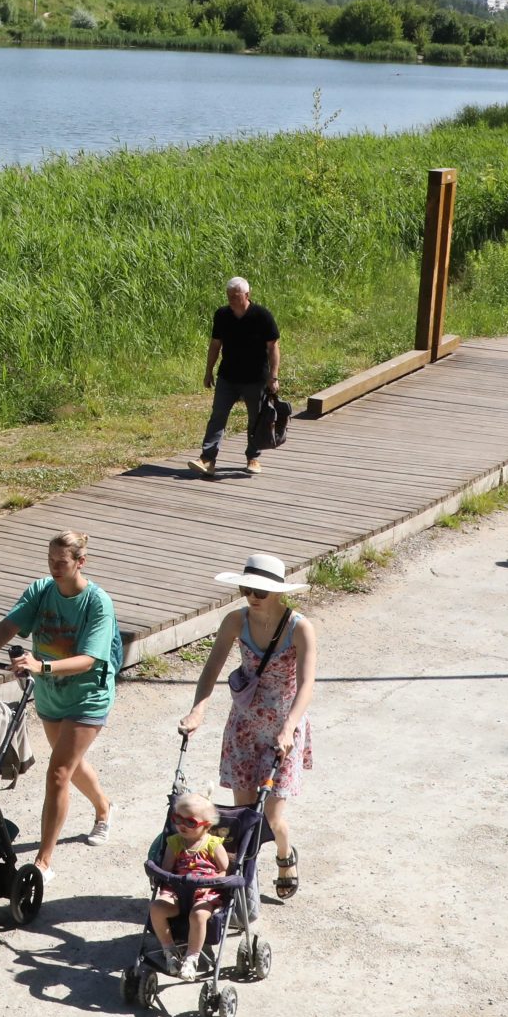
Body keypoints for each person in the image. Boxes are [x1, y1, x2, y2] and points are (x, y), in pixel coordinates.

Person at [0, 530, 116, 876]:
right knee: (70, 765)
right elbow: (10, 625)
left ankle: (43, 862)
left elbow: (89, 659)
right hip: (50, 695)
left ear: (81, 562)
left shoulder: (97, 603)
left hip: (87, 695)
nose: (54, 568)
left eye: (61, 563)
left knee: (59, 773)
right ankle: (104, 807)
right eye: (50, 561)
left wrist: (40, 665)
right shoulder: (41, 591)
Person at [179, 553, 317, 902]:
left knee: (271, 815)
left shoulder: (299, 627)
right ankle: (246, 892)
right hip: (243, 725)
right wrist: (198, 710)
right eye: (248, 588)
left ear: (279, 592)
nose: (253, 596)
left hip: (282, 729)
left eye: (261, 591)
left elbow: (306, 685)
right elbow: (210, 669)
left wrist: (288, 729)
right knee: (243, 818)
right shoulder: (235, 621)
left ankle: (285, 853)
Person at [192, 276, 281, 479]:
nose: (231, 299)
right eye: (229, 296)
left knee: (256, 420)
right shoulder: (222, 315)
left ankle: (253, 458)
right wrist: (208, 371)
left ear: (247, 295)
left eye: (236, 296)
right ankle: (207, 459)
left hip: (256, 378)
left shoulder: (262, 316)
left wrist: (273, 377)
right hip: (227, 377)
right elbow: (215, 345)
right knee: (217, 417)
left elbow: (273, 347)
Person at [148, 791, 231, 976]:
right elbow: (167, 868)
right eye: (178, 819)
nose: (182, 825)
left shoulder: (213, 843)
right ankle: (169, 948)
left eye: (190, 822)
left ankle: (192, 957)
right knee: (156, 908)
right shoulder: (174, 842)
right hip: (177, 890)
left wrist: (213, 882)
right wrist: (164, 876)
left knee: (198, 915)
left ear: (206, 826)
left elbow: (224, 869)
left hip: (205, 892)